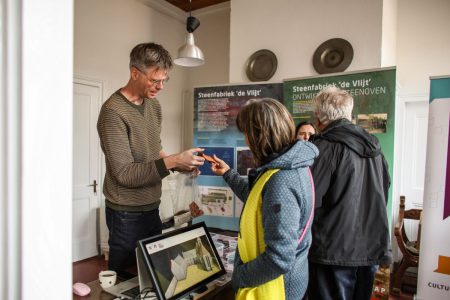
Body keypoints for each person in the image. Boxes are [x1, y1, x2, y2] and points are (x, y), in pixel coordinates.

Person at [97, 42, 205, 277]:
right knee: (126, 280)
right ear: (134, 72)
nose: (161, 87)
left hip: (152, 208)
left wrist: (182, 166)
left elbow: (155, 151)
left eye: (165, 80)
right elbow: (125, 174)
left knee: (155, 276)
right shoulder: (113, 112)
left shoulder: (154, 106)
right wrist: (174, 161)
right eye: (155, 80)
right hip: (125, 213)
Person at [210, 98, 318, 300]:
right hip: (289, 280)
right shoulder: (290, 164)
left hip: (276, 289)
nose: (246, 142)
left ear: (259, 134)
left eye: (246, 134)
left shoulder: (282, 179)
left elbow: (279, 259)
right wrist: (228, 174)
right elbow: (258, 200)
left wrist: (239, 277)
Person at [307, 86, 392, 300]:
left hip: (332, 252)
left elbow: (309, 198)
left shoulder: (323, 147)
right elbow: (384, 189)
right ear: (349, 114)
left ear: (319, 117)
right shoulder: (374, 148)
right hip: (370, 247)